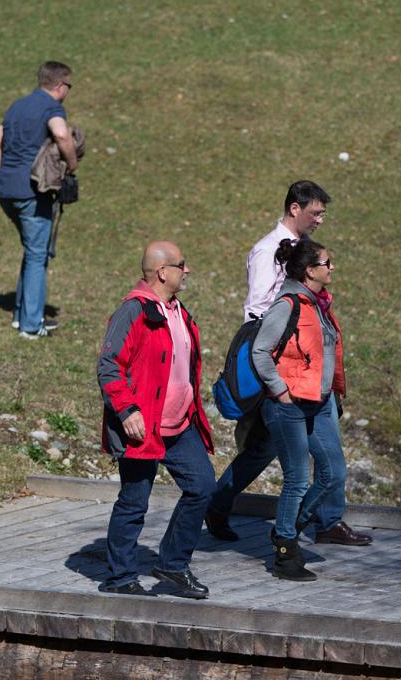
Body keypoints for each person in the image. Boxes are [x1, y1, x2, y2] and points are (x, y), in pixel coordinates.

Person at [206, 181, 371, 547]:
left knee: (322, 447)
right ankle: (222, 505)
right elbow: (257, 310)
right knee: (266, 449)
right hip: (284, 369)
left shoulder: (307, 249)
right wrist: (286, 342)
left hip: (311, 366)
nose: (320, 220)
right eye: (315, 213)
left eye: (323, 214)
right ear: (295, 208)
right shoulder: (267, 251)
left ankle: (327, 520)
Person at [97, 241, 214, 598]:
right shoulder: (133, 312)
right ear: (163, 272)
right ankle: (120, 577)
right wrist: (127, 410)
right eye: (182, 264)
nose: (187, 270)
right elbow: (109, 366)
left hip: (180, 424)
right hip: (142, 427)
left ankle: (173, 565)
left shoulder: (178, 311)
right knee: (134, 502)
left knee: (202, 486)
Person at [254, 239, 351, 582]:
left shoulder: (318, 304)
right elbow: (260, 351)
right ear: (310, 271)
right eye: (327, 263)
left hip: (320, 403)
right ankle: (285, 554)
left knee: (333, 473)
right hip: (289, 405)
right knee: (297, 479)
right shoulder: (288, 304)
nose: (332, 267)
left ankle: (288, 528)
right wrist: (280, 391)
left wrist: (333, 393)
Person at [0, 61, 78, 338]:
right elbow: (61, 133)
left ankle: (20, 314)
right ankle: (31, 326)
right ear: (60, 85)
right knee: (38, 255)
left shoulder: (17, 106)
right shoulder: (51, 108)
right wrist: (72, 165)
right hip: (32, 192)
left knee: (32, 250)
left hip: (6, 191)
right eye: (69, 86)